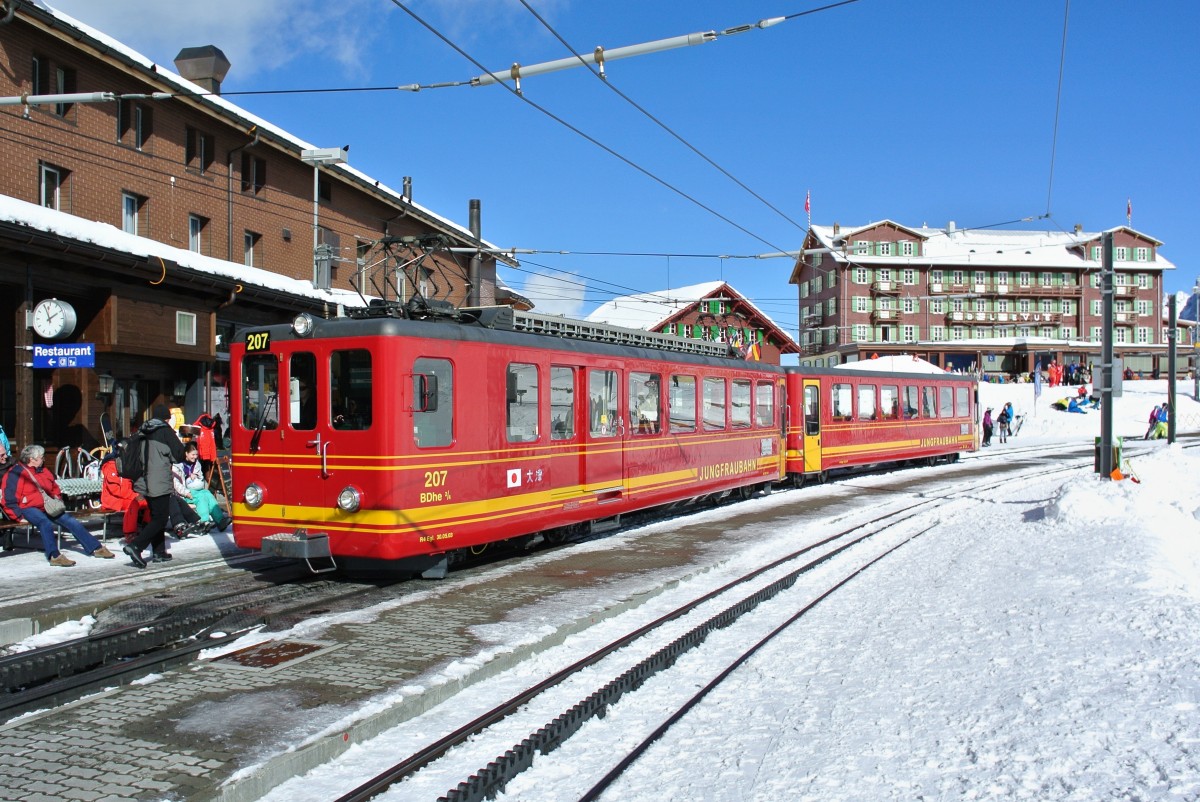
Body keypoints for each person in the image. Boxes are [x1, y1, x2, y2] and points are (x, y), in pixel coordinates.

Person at [2, 444, 114, 566]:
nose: (43, 459)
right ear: (31, 459)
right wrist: (18, 516)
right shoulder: (16, 473)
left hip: (47, 505)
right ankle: (54, 555)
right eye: (41, 457)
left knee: (71, 521)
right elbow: (8, 498)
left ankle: (95, 547)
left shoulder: (43, 470)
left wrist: (57, 499)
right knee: (44, 522)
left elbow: (54, 488)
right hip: (27, 507)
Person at [123, 404, 186, 568]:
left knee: (156, 515)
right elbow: (179, 454)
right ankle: (136, 546)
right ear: (166, 418)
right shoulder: (165, 431)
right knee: (161, 518)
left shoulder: (143, 430)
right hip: (159, 480)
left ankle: (159, 552)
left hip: (144, 480)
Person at [173, 442, 230, 532]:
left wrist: (196, 475)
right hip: (185, 493)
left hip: (197, 490)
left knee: (207, 493)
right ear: (186, 454)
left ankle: (220, 520)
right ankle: (203, 522)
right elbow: (176, 484)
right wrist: (186, 492)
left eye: (196, 454)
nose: (195, 457)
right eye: (193, 454)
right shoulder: (177, 467)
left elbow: (201, 478)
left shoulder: (196, 464)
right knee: (201, 497)